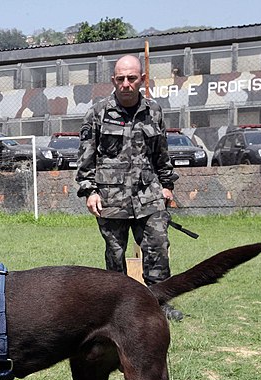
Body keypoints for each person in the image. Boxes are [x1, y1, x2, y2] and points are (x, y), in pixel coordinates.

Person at [75, 54, 184, 321]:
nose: (126, 84)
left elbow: (161, 153)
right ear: (113, 80)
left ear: (142, 80)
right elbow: (85, 156)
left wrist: (167, 185)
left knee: (157, 246)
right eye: (121, 78)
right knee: (115, 255)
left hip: (149, 194)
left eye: (131, 78)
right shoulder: (98, 113)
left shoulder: (154, 112)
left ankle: (161, 303)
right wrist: (90, 191)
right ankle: (117, 307)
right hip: (110, 198)